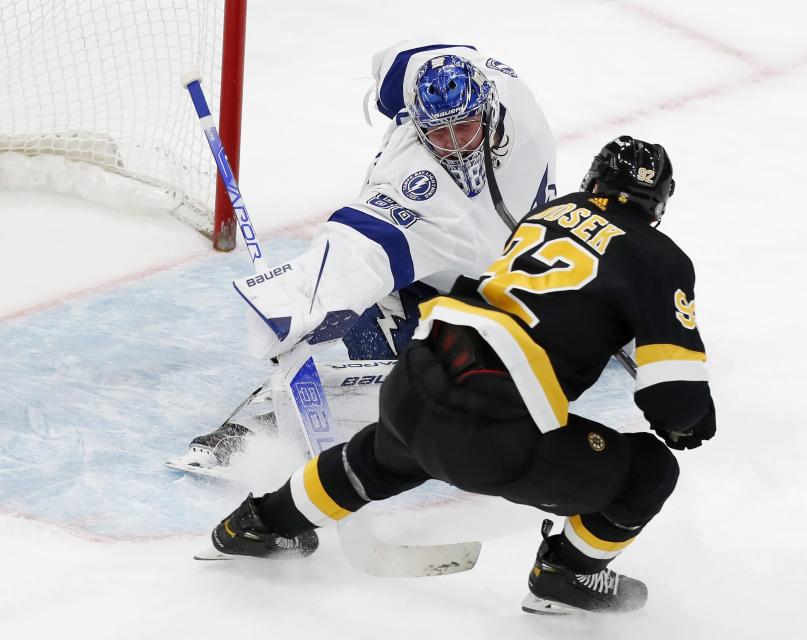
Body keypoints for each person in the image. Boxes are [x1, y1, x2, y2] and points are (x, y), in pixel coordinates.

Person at [204, 136, 717, 615]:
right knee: (650, 472)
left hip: (418, 375)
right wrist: (688, 426)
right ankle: (566, 574)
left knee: (385, 456)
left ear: (595, 182)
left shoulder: (550, 211)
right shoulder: (659, 257)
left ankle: (260, 523)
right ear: (658, 203)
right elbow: (678, 403)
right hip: (493, 428)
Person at [166, 40, 556, 475]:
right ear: (417, 126)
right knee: (430, 392)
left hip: (520, 273)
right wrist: (299, 305)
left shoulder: (510, 92)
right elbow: (359, 245)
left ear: (487, 107)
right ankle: (258, 425)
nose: (454, 145)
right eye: (437, 133)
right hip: (431, 286)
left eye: (463, 126)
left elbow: (411, 58)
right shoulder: (413, 181)